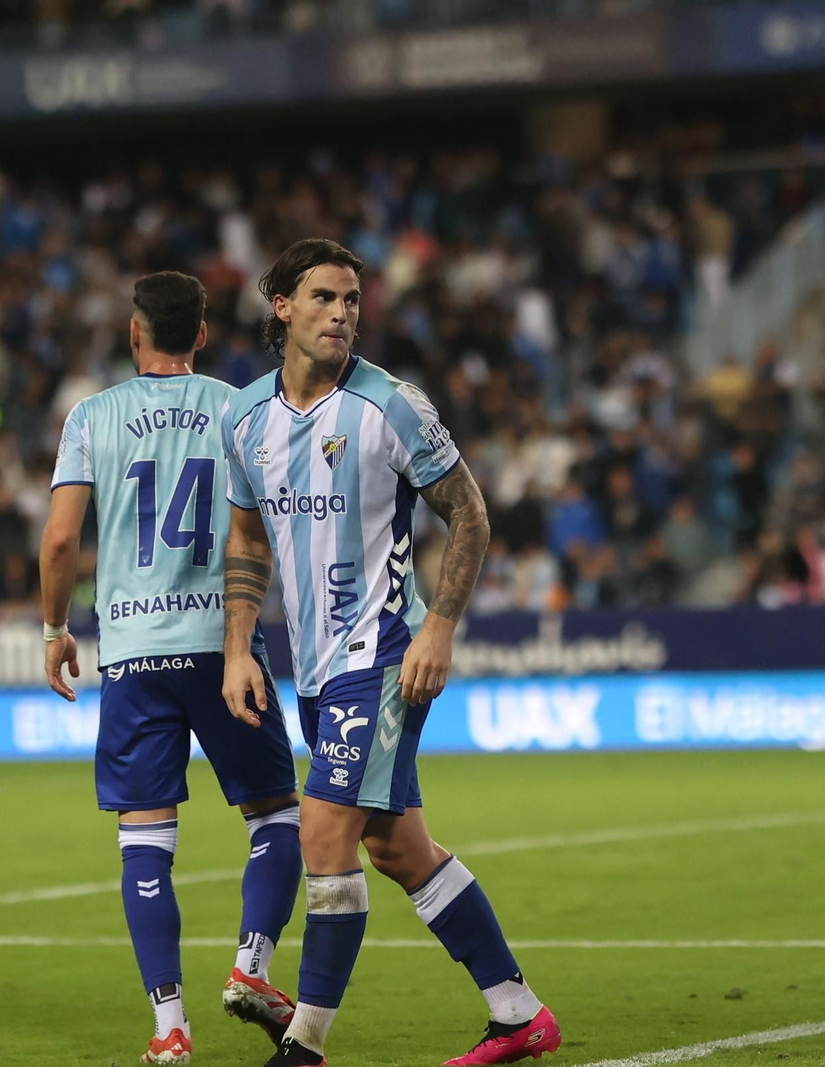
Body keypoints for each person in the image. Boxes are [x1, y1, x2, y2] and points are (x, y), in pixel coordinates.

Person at [217, 240, 562, 1067]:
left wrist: (440, 626)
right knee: (398, 847)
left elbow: (470, 512)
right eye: (325, 297)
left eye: (352, 299)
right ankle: (518, 1013)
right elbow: (246, 536)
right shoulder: (246, 420)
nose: (343, 312)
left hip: (385, 654)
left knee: (324, 835)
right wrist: (238, 647)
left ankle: (304, 1047)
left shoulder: (391, 405)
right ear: (282, 307)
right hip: (315, 667)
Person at [39, 271, 302, 1066]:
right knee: (276, 816)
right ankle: (251, 966)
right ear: (202, 334)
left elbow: (58, 541)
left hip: (131, 653)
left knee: (145, 839)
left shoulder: (91, 416)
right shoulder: (240, 407)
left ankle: (170, 1030)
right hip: (224, 643)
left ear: (134, 332)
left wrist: (55, 625)